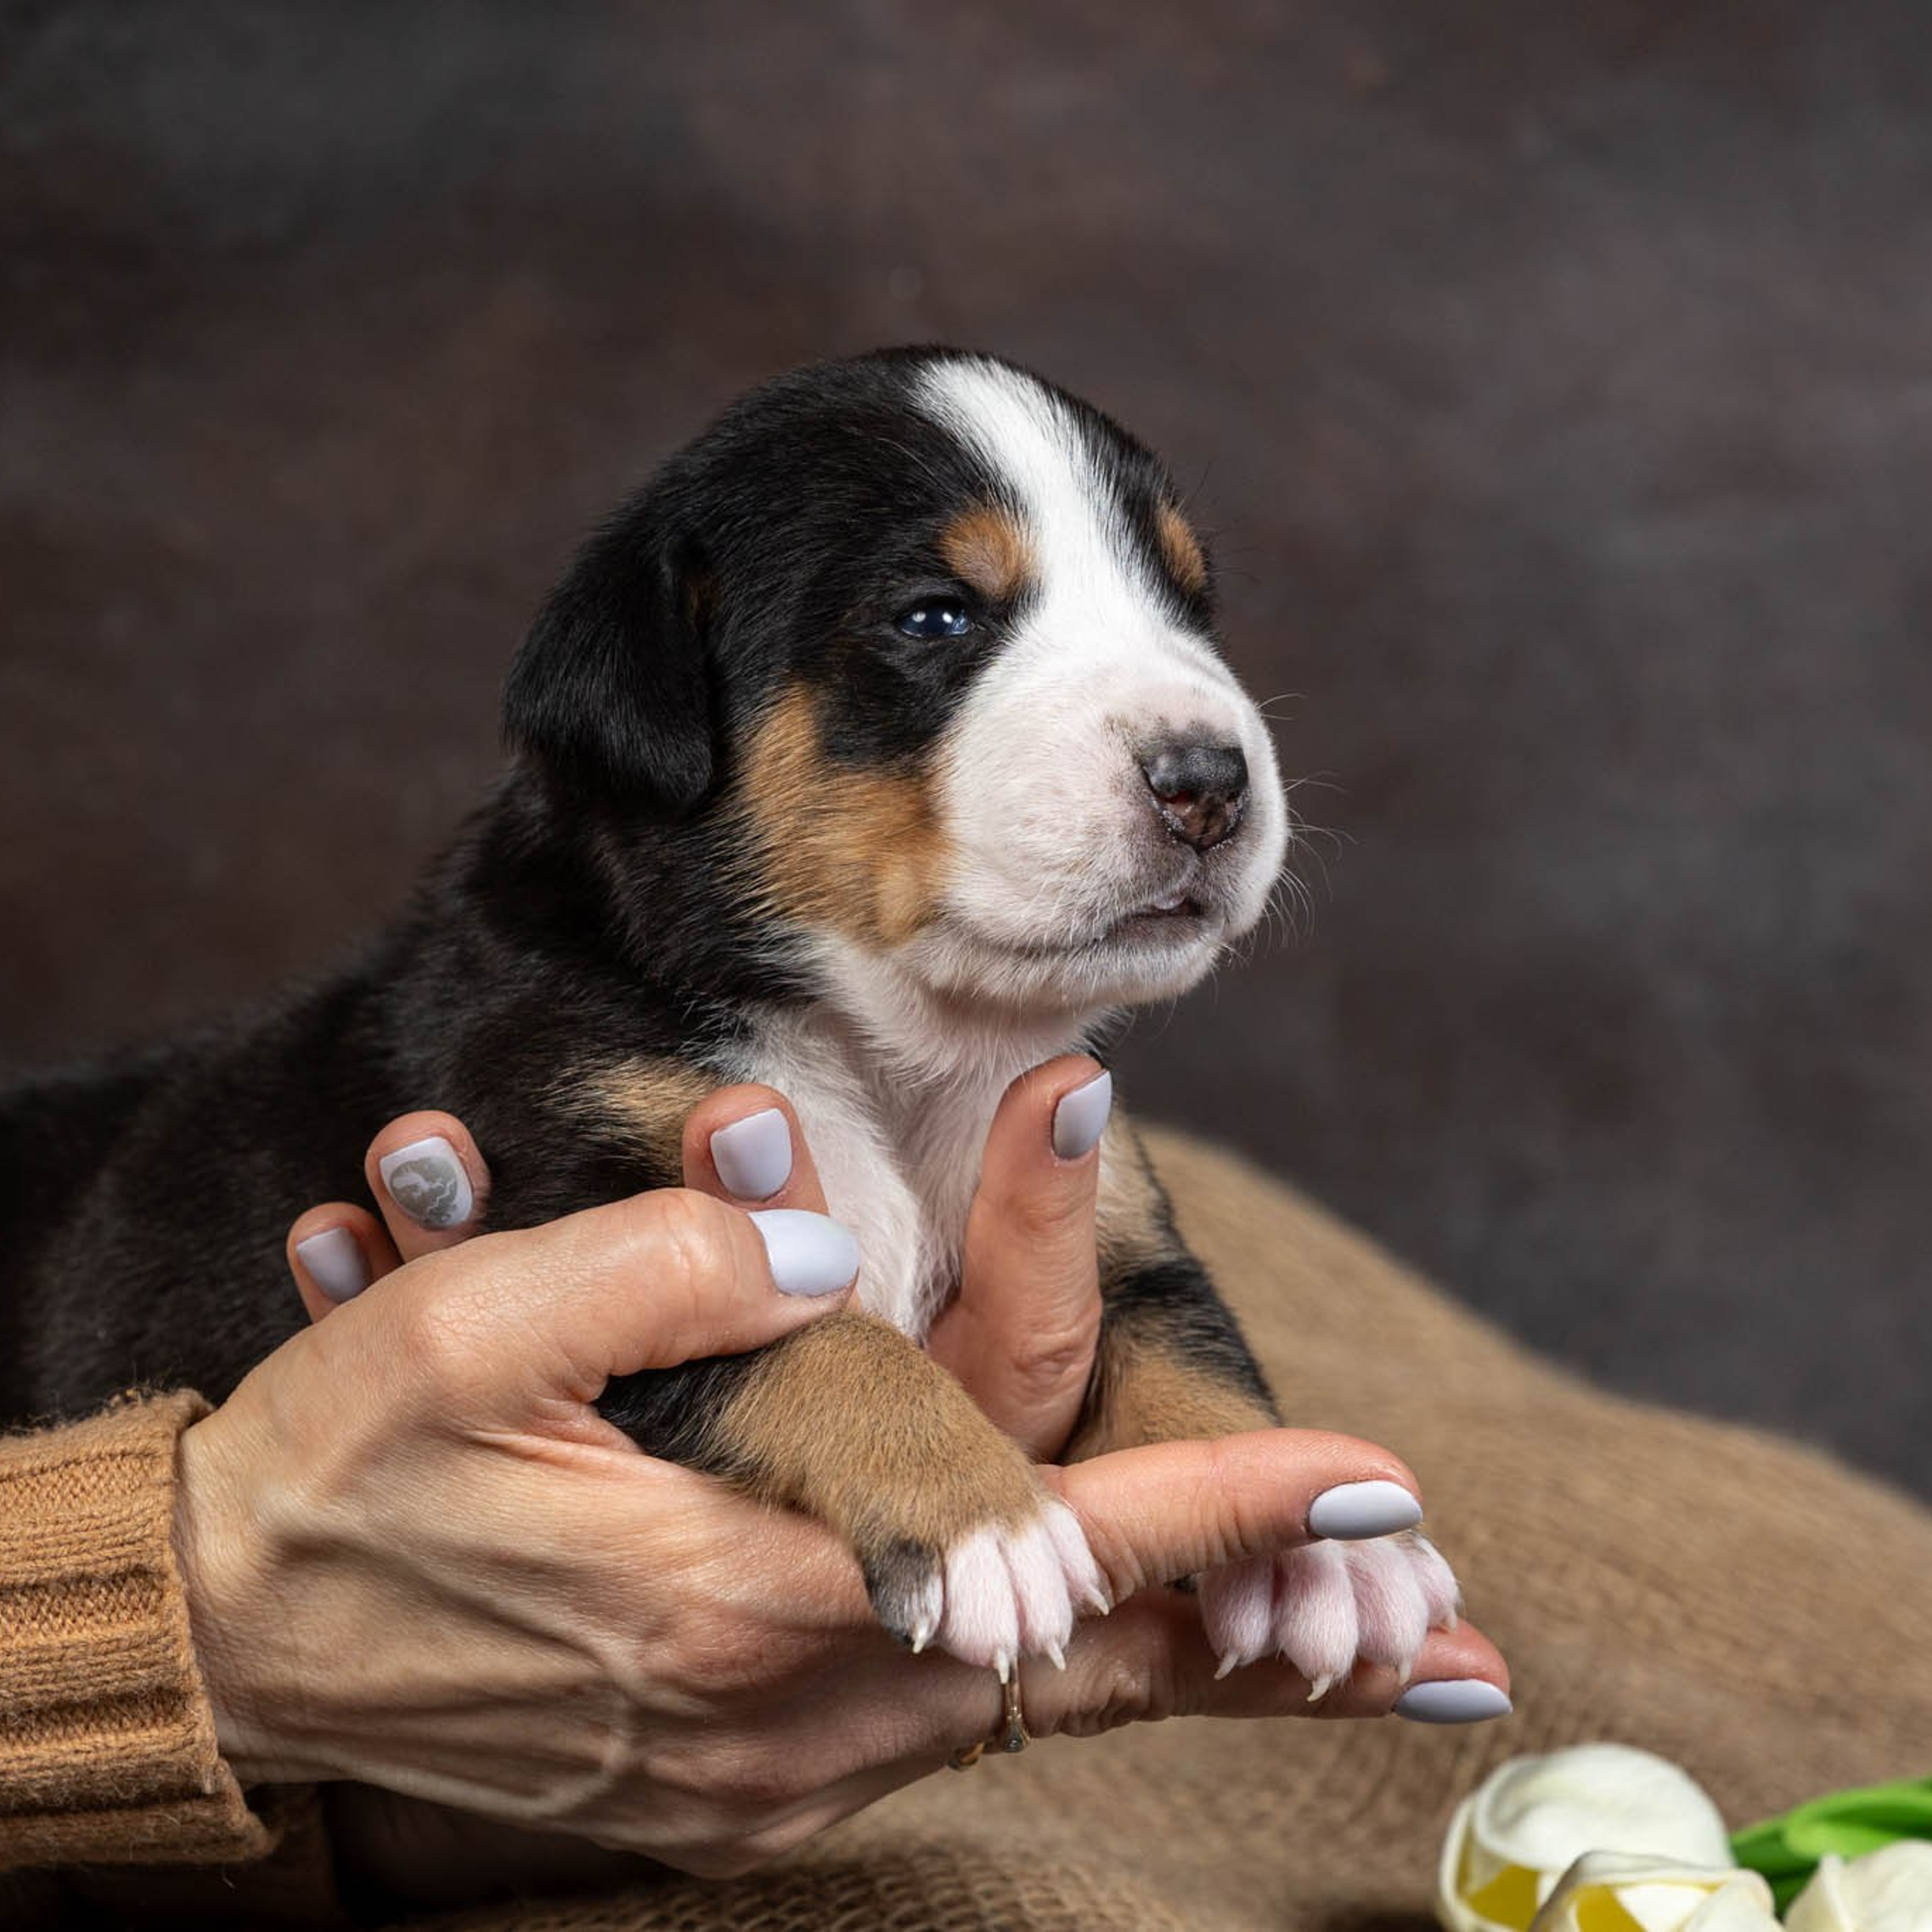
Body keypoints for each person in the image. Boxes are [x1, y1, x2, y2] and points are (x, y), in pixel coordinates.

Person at [2, 1058, 1509, 1912]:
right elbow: (710, 1353)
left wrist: (1242, 1486)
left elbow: (1136, 1299)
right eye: (936, 620)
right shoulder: (581, 1021)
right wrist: (173, 1621)